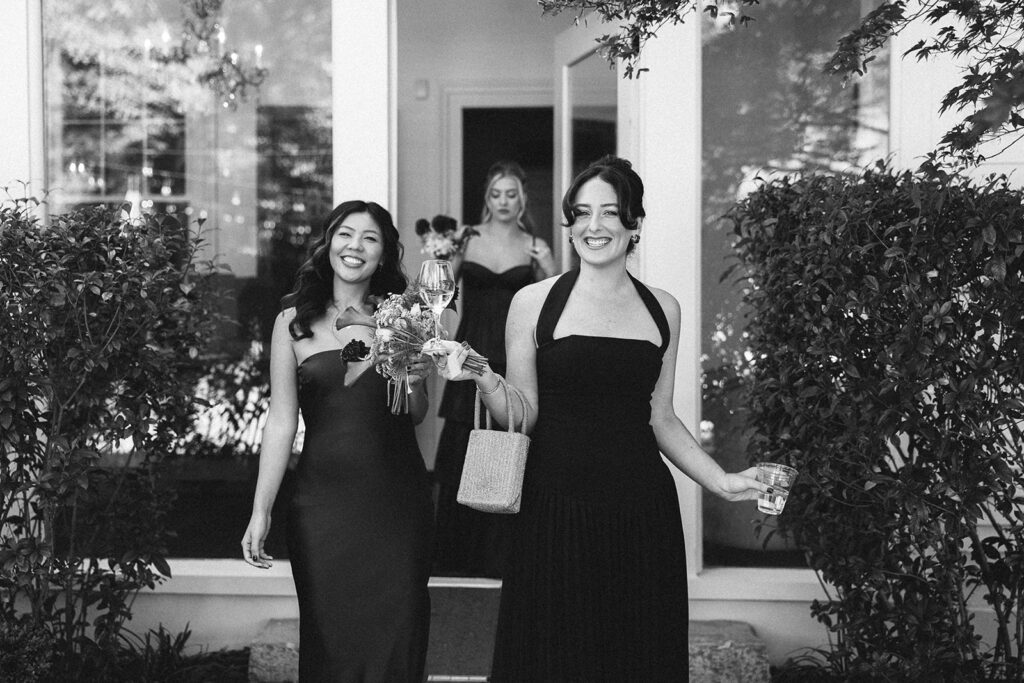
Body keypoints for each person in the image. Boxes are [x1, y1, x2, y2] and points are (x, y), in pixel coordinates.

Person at [438, 156, 768, 681]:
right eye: (582, 213)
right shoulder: (533, 302)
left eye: (610, 212)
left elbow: (661, 418)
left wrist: (722, 481)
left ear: (634, 222)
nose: (595, 226)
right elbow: (522, 413)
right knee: (553, 657)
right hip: (553, 510)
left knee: (634, 658)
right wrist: (480, 375)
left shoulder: (664, 309)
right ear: (568, 223)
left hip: (642, 515)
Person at [241, 200, 434, 683]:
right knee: (332, 652)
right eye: (346, 234)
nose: (355, 247)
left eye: (370, 238)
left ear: (384, 254)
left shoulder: (402, 316)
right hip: (322, 509)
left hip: (396, 506)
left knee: (399, 640)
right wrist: (261, 508)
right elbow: (281, 421)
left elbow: (416, 413)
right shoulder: (292, 320)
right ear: (328, 243)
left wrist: (407, 365)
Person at [432, 160, 558, 577]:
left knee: (510, 447)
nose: (503, 201)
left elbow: (552, 305)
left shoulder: (535, 243)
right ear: (487, 199)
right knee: (461, 447)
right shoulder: (467, 239)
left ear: (522, 198)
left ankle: (504, 558)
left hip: (515, 355)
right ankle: (456, 559)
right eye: (495, 194)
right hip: (469, 351)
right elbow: (439, 292)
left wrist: (550, 268)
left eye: (511, 194)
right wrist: (442, 257)